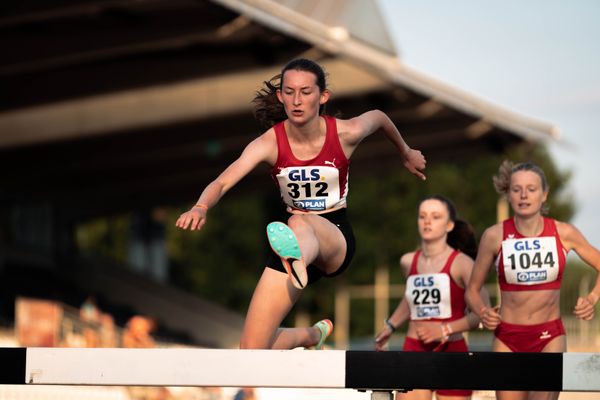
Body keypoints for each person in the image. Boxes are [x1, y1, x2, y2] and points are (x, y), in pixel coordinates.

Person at [176, 58, 426, 350]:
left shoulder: (346, 133)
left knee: (298, 221)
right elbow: (222, 181)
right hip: (291, 245)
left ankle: (298, 260)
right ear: (280, 96)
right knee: (251, 350)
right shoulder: (269, 143)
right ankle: (311, 335)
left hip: (334, 236)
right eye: (290, 92)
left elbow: (380, 116)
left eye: (306, 92)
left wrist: (405, 152)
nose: (297, 100)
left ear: (323, 97)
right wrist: (201, 207)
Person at [465, 161, 600, 400]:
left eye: (531, 188)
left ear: (544, 194)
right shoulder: (494, 236)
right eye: (516, 189)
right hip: (507, 338)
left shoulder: (563, 232)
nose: (524, 195)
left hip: (549, 337)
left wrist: (592, 298)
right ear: (508, 193)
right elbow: (472, 290)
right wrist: (482, 311)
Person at [375, 195, 488, 400]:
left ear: (449, 225)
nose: (427, 221)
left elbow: (482, 314)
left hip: (451, 350)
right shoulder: (408, 261)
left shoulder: (463, 264)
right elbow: (411, 300)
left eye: (436, 217)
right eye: (422, 216)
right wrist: (390, 326)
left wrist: (444, 329)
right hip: (415, 348)